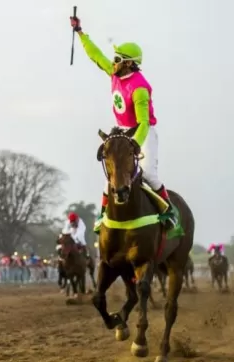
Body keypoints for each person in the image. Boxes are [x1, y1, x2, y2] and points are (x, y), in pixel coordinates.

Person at [69, 15, 177, 233]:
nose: (113, 61)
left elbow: (144, 122)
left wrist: (135, 143)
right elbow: (96, 55)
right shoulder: (114, 73)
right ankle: (102, 216)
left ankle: (169, 211)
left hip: (142, 134)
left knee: (147, 174)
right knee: (113, 173)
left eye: (117, 59)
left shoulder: (139, 88)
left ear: (128, 63)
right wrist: (80, 32)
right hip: (122, 132)